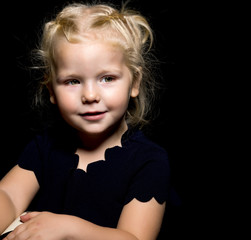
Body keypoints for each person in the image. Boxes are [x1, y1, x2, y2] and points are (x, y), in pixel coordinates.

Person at [0, 1, 171, 239]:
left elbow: (135, 237)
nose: (90, 96)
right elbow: (7, 194)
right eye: (72, 81)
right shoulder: (45, 146)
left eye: (107, 78)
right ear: (51, 90)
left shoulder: (149, 162)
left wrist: (68, 229)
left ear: (134, 83)